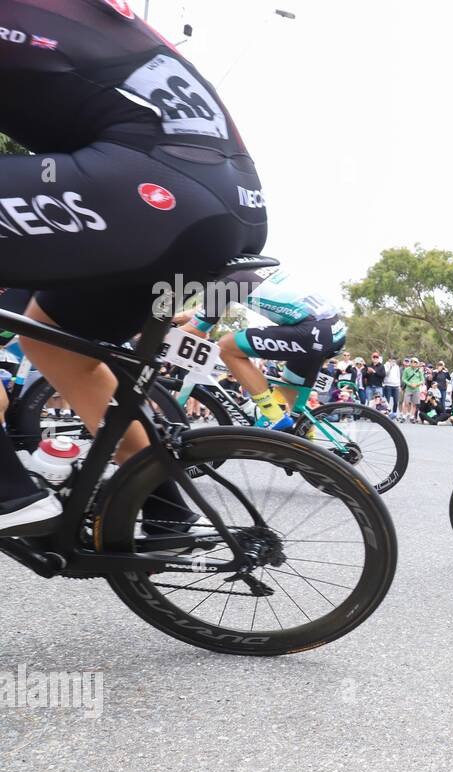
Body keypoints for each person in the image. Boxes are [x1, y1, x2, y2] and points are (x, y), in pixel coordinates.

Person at [0, 0, 267, 533]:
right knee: (51, 342)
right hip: (226, 204)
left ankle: (10, 495)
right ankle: (162, 506)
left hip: (154, 189)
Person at [175, 269, 346, 430]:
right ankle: (311, 449)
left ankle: (272, 416)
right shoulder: (249, 269)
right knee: (291, 397)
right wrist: (170, 319)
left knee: (226, 347)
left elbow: (197, 330)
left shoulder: (226, 281)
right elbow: (202, 312)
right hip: (333, 329)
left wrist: (156, 337)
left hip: (312, 333)